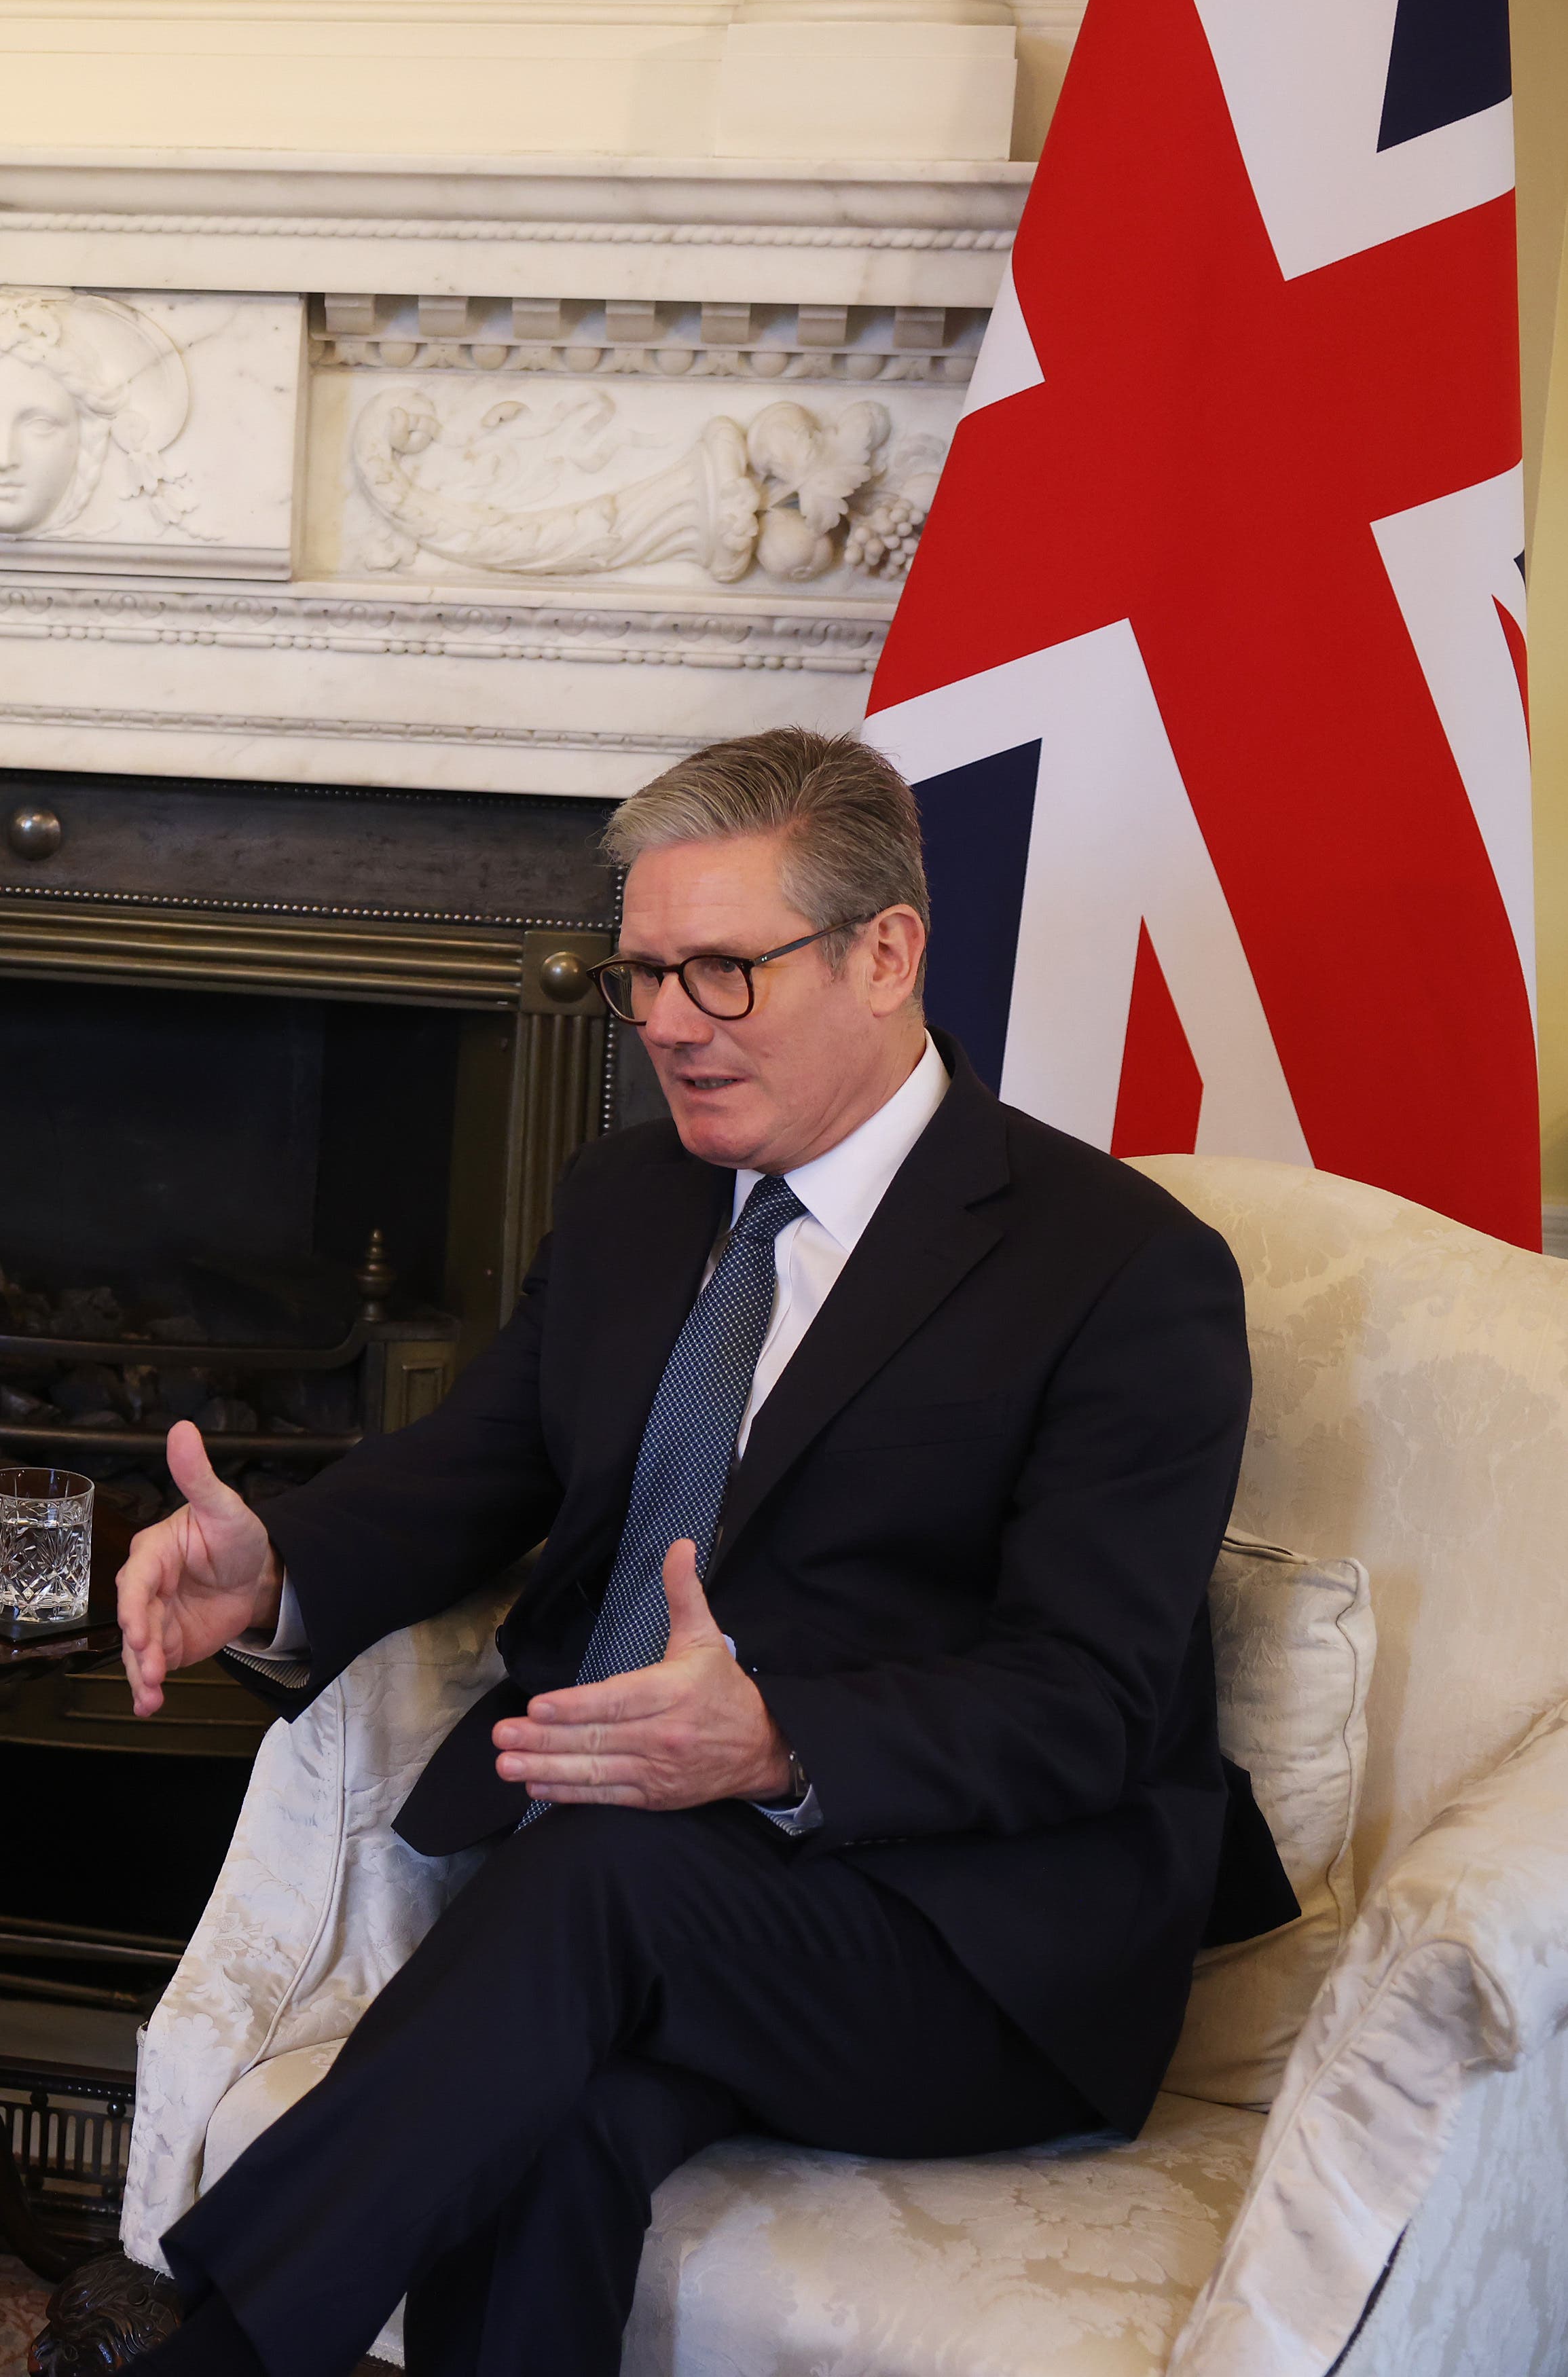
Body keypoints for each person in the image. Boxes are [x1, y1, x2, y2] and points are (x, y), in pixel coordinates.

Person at [111, 729, 1295, 2377]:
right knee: (557, 2119)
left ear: (885, 952)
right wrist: (279, 1570)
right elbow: (487, 1463)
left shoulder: (1116, 1271)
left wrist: (778, 1740)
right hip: (635, 1902)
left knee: (601, 1865)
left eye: (722, 969)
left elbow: (1088, 1694)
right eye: (643, 972)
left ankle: (213, 2349)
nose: (667, 1021)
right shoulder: (630, 1198)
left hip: (956, 1941)